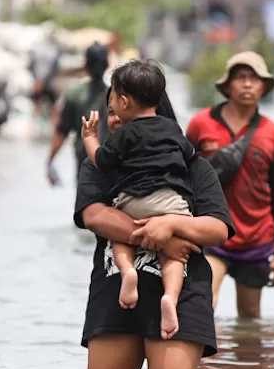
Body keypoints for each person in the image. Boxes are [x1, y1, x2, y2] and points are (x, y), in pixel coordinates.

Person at [76, 84, 234, 369]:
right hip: (116, 291)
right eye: (111, 112)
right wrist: (165, 237)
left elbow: (218, 228)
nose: (116, 119)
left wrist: (173, 224)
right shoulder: (99, 165)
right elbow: (95, 216)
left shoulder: (192, 165)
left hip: (179, 297)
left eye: (122, 110)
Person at [81, 61, 197, 337]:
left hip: (133, 201)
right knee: (176, 260)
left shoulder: (126, 133)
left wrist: (89, 137)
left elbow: (102, 161)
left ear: (123, 101)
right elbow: (189, 155)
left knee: (118, 237)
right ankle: (170, 296)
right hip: (171, 203)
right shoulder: (172, 130)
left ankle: (127, 271)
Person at [185, 51, 274, 318]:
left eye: (254, 79)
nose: (247, 84)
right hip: (211, 234)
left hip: (256, 238)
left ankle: (245, 359)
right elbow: (182, 178)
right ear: (228, 85)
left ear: (264, 87)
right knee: (204, 302)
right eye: (240, 78)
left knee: (250, 317)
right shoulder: (201, 124)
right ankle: (207, 361)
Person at [47, 42, 111, 187]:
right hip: (111, 166)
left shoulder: (74, 95)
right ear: (107, 64)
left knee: (85, 206)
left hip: (85, 164)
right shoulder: (116, 96)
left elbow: (62, 131)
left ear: (85, 65)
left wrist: (50, 161)